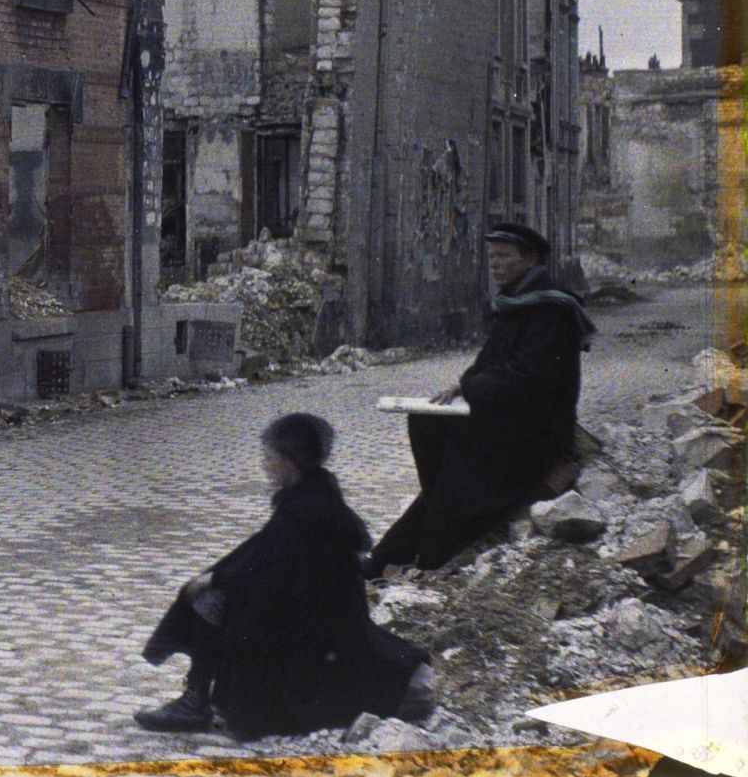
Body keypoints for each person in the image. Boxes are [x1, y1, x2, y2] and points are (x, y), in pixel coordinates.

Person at [134, 413, 432, 739]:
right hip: (312, 611)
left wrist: (218, 580)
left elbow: (270, 570)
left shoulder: (307, 510)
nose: (265, 464)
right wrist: (220, 574)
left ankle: (197, 702)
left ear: (291, 462)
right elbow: (264, 554)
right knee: (211, 589)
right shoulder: (312, 495)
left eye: (270, 456)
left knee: (208, 600)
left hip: (309, 624)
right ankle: (198, 696)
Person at [365, 221, 595, 576]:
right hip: (511, 418)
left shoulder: (552, 310)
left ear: (531, 258)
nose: (495, 264)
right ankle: (385, 559)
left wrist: (474, 387)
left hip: (538, 433)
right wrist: (464, 386)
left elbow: (529, 378)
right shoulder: (517, 302)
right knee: (428, 424)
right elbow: (488, 365)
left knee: (458, 473)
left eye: (504, 256)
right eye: (492, 257)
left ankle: (431, 558)